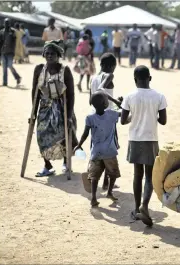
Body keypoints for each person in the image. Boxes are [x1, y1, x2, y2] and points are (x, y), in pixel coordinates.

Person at [121, 66, 167, 226]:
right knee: (149, 176)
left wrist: (135, 113)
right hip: (151, 140)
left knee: (137, 175)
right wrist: (151, 112)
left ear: (135, 80)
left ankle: (136, 208)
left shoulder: (129, 96)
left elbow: (123, 120)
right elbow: (163, 121)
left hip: (135, 139)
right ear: (150, 78)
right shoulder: (159, 96)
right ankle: (145, 205)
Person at [32, 40, 78, 176]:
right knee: (41, 135)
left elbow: (71, 94)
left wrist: (69, 116)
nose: (50, 56)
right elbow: (34, 92)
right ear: (44, 55)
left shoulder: (65, 71)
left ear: (58, 55)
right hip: (45, 108)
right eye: (47, 53)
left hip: (61, 107)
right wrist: (33, 113)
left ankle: (66, 162)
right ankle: (47, 166)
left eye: (52, 53)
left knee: (64, 135)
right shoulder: (39, 69)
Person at [74, 92, 122, 207]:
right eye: (107, 100)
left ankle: (94, 198)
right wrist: (117, 101)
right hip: (110, 152)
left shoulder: (90, 118)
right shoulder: (111, 114)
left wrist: (79, 144)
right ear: (105, 104)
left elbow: (85, 134)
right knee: (113, 174)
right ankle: (109, 192)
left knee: (94, 177)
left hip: (96, 152)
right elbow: (123, 112)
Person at [89, 53, 123, 191]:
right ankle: (105, 182)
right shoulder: (108, 75)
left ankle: (100, 181)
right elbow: (101, 90)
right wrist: (115, 102)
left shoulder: (93, 78)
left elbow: (91, 99)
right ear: (111, 66)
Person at [0, 19, 21, 87]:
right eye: (5, 23)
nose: (7, 25)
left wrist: (14, 51)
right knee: (4, 68)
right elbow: (0, 43)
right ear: (4, 24)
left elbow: (14, 42)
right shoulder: (1, 32)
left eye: (8, 23)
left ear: (9, 24)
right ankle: (5, 83)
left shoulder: (12, 32)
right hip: (3, 52)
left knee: (10, 65)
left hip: (10, 52)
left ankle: (17, 77)